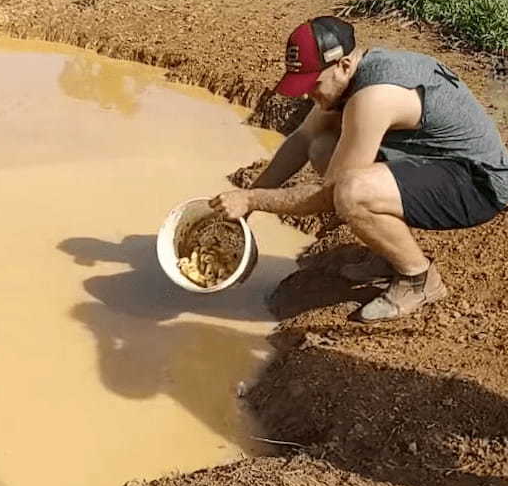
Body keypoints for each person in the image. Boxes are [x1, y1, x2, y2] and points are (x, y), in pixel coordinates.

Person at [210, 16, 508, 322]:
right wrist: (247, 194)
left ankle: (417, 279)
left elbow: (329, 195)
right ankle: (387, 254)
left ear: (343, 66)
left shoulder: (375, 97)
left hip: (478, 184)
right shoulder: (354, 74)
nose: (305, 95)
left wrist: (254, 200)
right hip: (435, 164)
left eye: (313, 85)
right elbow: (303, 138)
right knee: (322, 145)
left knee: (352, 193)